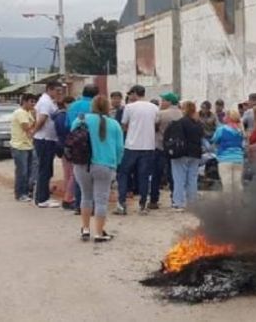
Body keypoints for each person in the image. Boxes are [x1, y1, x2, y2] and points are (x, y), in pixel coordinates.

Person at [71, 95, 124, 242]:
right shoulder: (114, 124)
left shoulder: (80, 120)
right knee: (101, 199)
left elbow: (72, 140)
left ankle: (85, 229)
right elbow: (120, 148)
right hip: (105, 165)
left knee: (85, 197)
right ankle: (99, 232)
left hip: (82, 164)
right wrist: (117, 163)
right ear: (108, 107)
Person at [116, 85, 158, 215]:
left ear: (134, 94)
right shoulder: (154, 107)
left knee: (123, 173)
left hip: (131, 145)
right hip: (148, 146)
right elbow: (156, 123)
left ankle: (122, 203)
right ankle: (143, 205)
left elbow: (123, 124)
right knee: (144, 176)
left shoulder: (129, 107)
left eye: (130, 94)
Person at [65, 85, 99, 214]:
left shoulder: (73, 106)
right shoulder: (95, 107)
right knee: (94, 176)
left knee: (78, 173)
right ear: (96, 95)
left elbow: (67, 125)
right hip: (93, 143)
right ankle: (92, 206)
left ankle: (79, 205)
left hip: (76, 144)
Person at [32, 81, 63, 208]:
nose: (59, 93)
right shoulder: (45, 102)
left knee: (46, 169)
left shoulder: (49, 101)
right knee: (44, 169)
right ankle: (42, 199)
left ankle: (41, 196)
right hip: (45, 139)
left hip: (48, 139)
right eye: (57, 90)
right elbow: (42, 119)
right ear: (49, 89)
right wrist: (34, 131)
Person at [170, 101, 204, 211]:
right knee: (192, 179)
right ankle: (192, 202)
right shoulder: (198, 123)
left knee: (179, 178)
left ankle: (179, 202)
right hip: (196, 153)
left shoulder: (180, 122)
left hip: (182, 153)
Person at [153, 92, 183, 210]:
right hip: (176, 149)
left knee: (156, 174)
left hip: (161, 146)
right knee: (174, 175)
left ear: (169, 102)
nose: (161, 102)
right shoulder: (181, 114)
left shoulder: (161, 114)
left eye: (164, 100)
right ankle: (174, 198)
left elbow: (154, 127)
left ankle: (154, 200)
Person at [210, 110, 245, 206]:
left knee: (227, 183)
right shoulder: (240, 130)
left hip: (225, 158)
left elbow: (214, 140)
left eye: (225, 115)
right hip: (238, 158)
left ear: (229, 117)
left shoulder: (221, 129)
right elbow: (243, 144)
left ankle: (228, 206)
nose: (223, 117)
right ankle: (238, 204)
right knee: (237, 183)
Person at [10, 93, 37, 202]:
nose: (33, 104)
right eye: (31, 102)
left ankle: (26, 192)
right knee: (22, 171)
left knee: (29, 171)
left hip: (28, 145)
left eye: (34, 102)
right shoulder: (20, 113)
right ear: (24, 101)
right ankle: (20, 193)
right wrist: (35, 120)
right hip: (19, 146)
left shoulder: (28, 112)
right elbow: (27, 128)